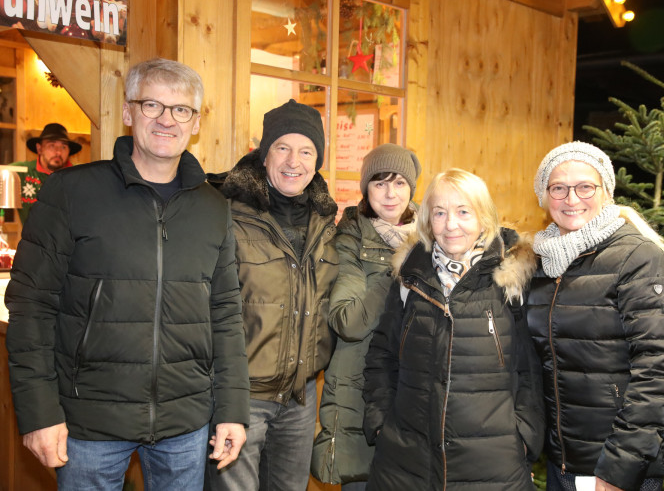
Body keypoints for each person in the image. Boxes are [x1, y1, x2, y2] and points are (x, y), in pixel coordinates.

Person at [4, 57, 250, 490]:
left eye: (181, 110)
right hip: (89, 422)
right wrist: (39, 413)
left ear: (195, 122)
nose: (166, 120)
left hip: (184, 423)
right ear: (127, 112)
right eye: (152, 104)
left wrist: (231, 408)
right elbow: (31, 307)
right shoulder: (71, 192)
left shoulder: (214, 208)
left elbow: (227, 314)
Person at [362, 168, 544, 490]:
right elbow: (383, 355)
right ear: (427, 221)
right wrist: (380, 424)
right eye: (440, 213)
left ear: (484, 218)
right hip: (406, 465)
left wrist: (526, 438)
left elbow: (530, 368)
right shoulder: (410, 278)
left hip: (494, 466)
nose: (451, 224)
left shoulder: (511, 281)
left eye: (463, 212)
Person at [527, 141, 664, 491]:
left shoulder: (637, 256)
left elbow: (659, 367)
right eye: (558, 188)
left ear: (606, 192)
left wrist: (618, 469)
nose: (572, 199)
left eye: (585, 186)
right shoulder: (543, 261)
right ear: (543, 195)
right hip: (563, 459)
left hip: (614, 465)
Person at [206, 99, 339, 491]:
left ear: (317, 161)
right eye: (282, 148)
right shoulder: (226, 214)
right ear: (264, 155)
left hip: (299, 399)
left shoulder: (328, 225)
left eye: (306, 151)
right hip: (240, 400)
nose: (293, 161)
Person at [311, 143, 422, 490]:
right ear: (365, 189)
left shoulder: (435, 237)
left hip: (419, 395)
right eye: (379, 182)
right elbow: (349, 322)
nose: (390, 193)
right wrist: (397, 269)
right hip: (362, 400)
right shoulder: (349, 239)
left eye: (400, 182)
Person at [11, 122, 80, 223]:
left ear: (69, 151)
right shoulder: (23, 172)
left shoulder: (78, 176)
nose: (58, 152)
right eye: (52, 146)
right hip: (32, 237)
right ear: (39, 149)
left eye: (63, 147)